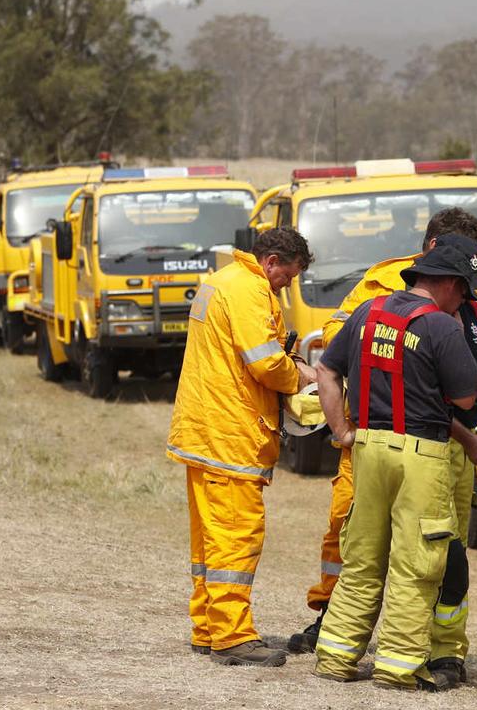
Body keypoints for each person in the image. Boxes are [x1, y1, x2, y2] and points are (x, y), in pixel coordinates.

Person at [290, 208, 477, 689]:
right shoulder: (443, 326)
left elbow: (327, 370)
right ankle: (398, 666)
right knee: (420, 563)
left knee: (363, 560)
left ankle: (336, 656)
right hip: (424, 455)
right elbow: (467, 399)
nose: (472, 297)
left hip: (367, 448)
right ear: (450, 282)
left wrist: (342, 431)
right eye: (468, 288)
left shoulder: (372, 310)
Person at [165, 227, 317, 666]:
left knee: (209, 542)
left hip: (203, 430)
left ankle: (208, 627)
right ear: (270, 262)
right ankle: (233, 637)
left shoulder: (221, 280)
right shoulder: (250, 290)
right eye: (286, 278)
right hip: (230, 435)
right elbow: (265, 361)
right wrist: (301, 377)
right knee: (236, 538)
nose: (287, 286)